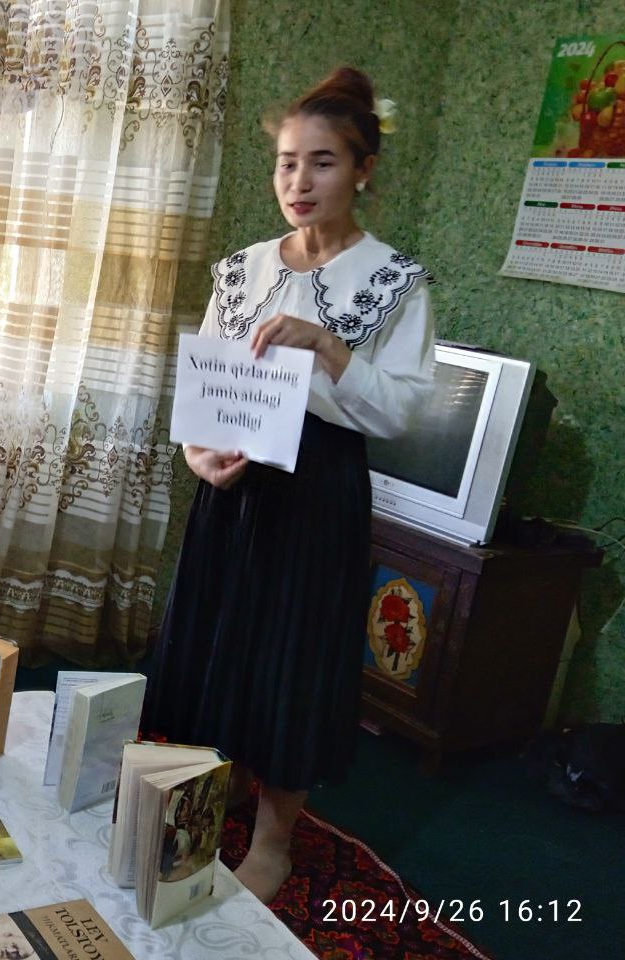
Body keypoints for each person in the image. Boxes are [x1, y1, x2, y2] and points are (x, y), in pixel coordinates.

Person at [142, 66, 434, 903]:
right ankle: (223, 779)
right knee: (220, 641)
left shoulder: (394, 282)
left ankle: (275, 840)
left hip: (318, 493)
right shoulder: (240, 269)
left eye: (322, 163)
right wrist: (200, 458)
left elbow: (401, 414)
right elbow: (204, 384)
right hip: (236, 489)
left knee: (294, 658)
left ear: (364, 169)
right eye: (284, 162)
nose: (298, 183)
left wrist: (331, 349)